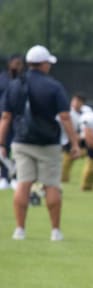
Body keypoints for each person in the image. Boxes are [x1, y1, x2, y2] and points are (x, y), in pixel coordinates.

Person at [0, 45, 81, 241]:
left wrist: (1, 143)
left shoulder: (15, 84)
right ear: (44, 64)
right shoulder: (54, 86)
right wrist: (75, 143)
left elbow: (6, 117)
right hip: (48, 143)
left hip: (21, 140)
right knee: (51, 185)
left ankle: (20, 229)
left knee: (23, 184)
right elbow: (65, 117)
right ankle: (55, 231)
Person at [0, 54, 24, 190]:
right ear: (9, 64)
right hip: (3, 119)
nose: (17, 66)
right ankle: (3, 176)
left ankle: (15, 177)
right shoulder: (2, 79)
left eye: (20, 64)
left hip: (19, 120)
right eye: (15, 63)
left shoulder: (23, 80)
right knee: (3, 148)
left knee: (18, 149)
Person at [60, 92, 92, 183]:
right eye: (74, 100)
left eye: (78, 101)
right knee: (66, 162)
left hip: (84, 139)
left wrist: (82, 136)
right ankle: (63, 179)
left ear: (82, 103)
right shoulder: (68, 111)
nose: (75, 103)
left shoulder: (87, 111)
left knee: (92, 156)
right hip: (69, 139)